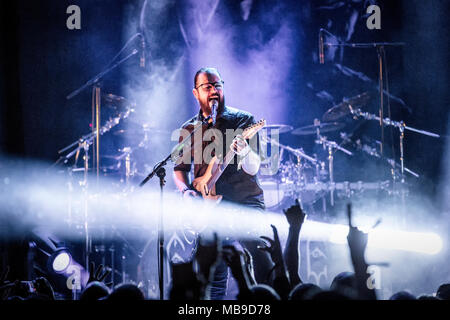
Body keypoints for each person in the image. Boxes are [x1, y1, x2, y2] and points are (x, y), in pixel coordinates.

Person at [173, 67, 267, 299]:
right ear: (196, 93)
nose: (214, 90)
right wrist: (186, 191)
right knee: (213, 278)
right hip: (210, 209)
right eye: (208, 86)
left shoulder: (243, 120)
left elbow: (254, 167)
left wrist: (244, 151)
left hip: (245, 204)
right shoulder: (189, 128)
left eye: (218, 85)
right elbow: (179, 170)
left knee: (260, 269)